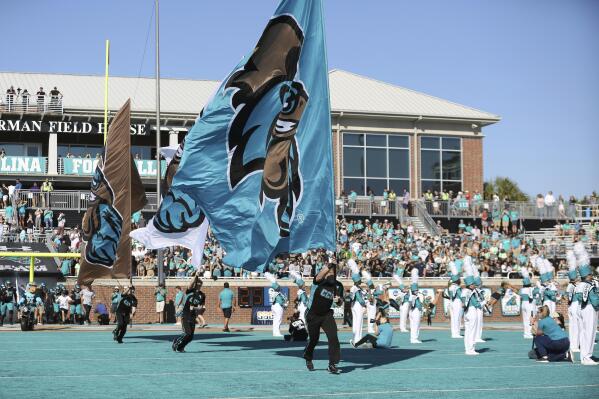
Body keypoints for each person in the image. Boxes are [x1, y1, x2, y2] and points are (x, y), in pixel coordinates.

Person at [303, 262, 344, 374]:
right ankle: (308, 356)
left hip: (326, 315)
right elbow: (319, 275)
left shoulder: (338, 285)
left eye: (333, 272)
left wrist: (338, 301)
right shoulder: (320, 281)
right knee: (314, 339)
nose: (331, 274)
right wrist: (329, 266)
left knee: (333, 337)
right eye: (329, 272)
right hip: (313, 314)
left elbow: (340, 302)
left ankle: (332, 364)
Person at [573, 243, 599, 365]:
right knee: (590, 332)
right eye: (590, 274)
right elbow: (595, 301)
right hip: (589, 309)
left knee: (583, 333)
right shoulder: (590, 285)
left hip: (580, 308)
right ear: (587, 275)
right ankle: (587, 357)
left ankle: (584, 355)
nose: (591, 275)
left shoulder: (578, 285)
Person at [172, 273, 206, 352]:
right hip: (186, 315)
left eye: (200, 284)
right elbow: (191, 283)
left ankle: (180, 347)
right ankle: (176, 341)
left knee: (191, 336)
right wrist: (196, 276)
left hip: (193, 316)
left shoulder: (202, 295)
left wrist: (195, 308)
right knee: (187, 333)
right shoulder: (190, 290)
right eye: (197, 284)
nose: (198, 285)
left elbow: (201, 307)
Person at [265, 273, 287, 337]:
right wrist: (284, 304)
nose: (279, 287)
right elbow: (280, 301)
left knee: (275, 320)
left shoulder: (274, 292)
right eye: (278, 287)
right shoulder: (277, 293)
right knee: (278, 320)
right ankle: (277, 333)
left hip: (274, 306)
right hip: (278, 306)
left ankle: (275, 332)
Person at [519, 268, 536, 339]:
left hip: (523, 304)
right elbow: (531, 297)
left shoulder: (521, 289)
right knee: (530, 318)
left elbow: (520, 296)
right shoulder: (530, 289)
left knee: (525, 319)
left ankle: (526, 333)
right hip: (529, 304)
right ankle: (529, 333)